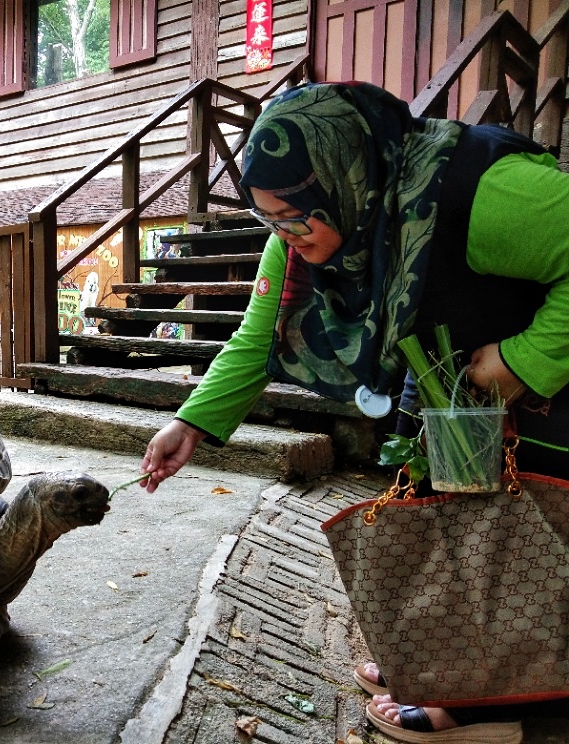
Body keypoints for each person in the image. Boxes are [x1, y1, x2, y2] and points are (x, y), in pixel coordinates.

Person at [139, 81, 569, 743]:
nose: (285, 237)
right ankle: (437, 664)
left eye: (295, 218)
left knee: (513, 537)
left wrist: (524, 360)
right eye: (269, 221)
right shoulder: (327, 214)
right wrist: (189, 424)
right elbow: (261, 334)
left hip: (542, 399)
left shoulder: (479, 192)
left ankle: (486, 711)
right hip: (445, 392)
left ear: (344, 173)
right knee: (433, 519)